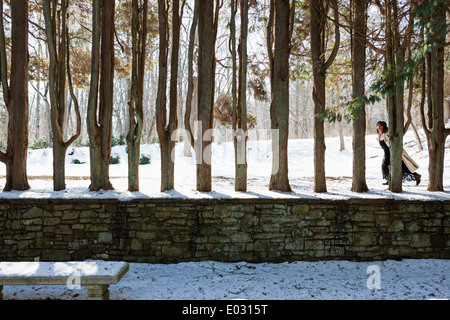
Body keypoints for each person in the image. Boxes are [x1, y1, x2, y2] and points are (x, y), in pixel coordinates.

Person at [376, 121, 421, 186]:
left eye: (380, 125)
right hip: (387, 153)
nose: (378, 127)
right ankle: (416, 175)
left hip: (393, 152)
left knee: (386, 166)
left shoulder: (388, 132)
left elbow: (394, 140)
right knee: (399, 167)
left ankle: (415, 175)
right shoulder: (379, 135)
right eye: (377, 125)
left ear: (384, 126)